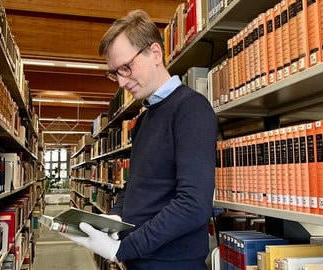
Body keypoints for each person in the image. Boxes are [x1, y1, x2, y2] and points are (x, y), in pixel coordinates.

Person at [62, 9, 218, 270]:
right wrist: (114, 217)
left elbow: (193, 205)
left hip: (172, 264)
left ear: (155, 53)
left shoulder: (191, 109)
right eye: (114, 73)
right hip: (139, 259)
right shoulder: (144, 119)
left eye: (126, 67)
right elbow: (135, 185)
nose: (121, 82)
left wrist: (123, 249)